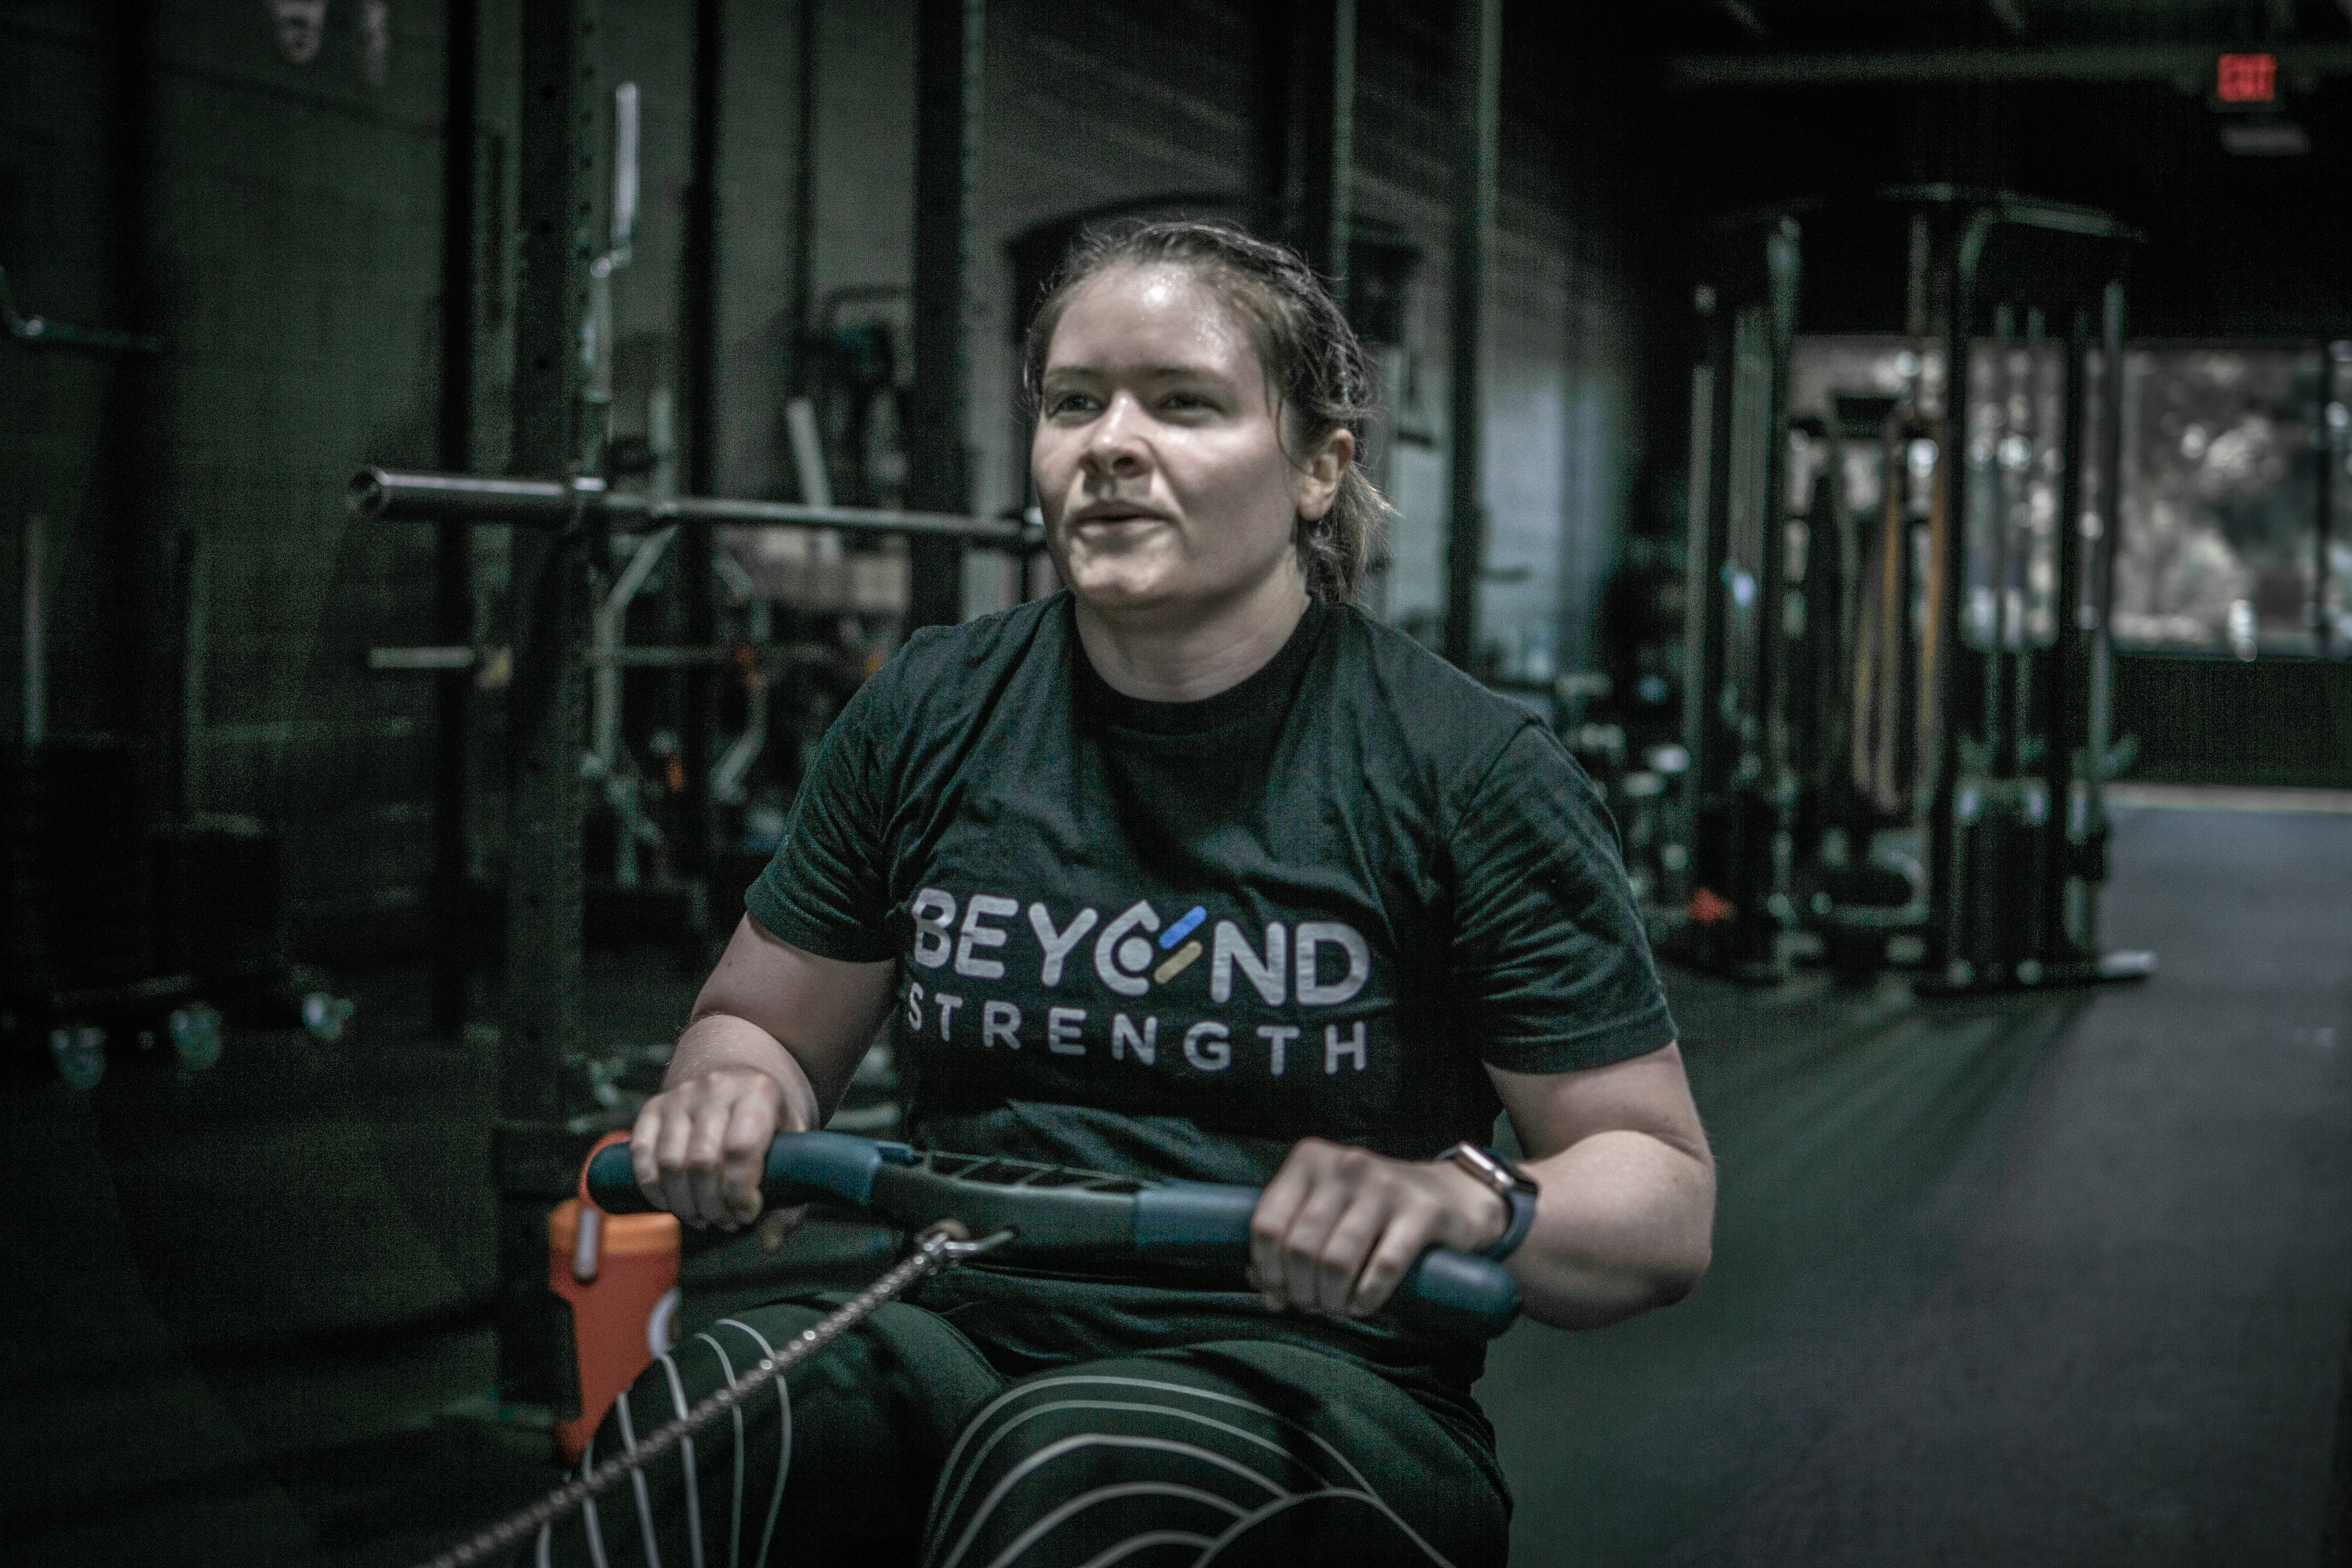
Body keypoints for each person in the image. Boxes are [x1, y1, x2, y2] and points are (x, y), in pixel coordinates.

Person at [543, 220, 1714, 1568]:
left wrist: (1472, 1202)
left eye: (1184, 403)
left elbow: (1661, 1199)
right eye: (1072, 403)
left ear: (1321, 468)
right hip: (961, 1317)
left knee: (1070, 1480)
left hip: (1322, 1376)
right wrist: (738, 1090)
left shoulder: (1463, 768)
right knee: (707, 1436)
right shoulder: (929, 712)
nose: (1108, 442)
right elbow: (759, 1027)